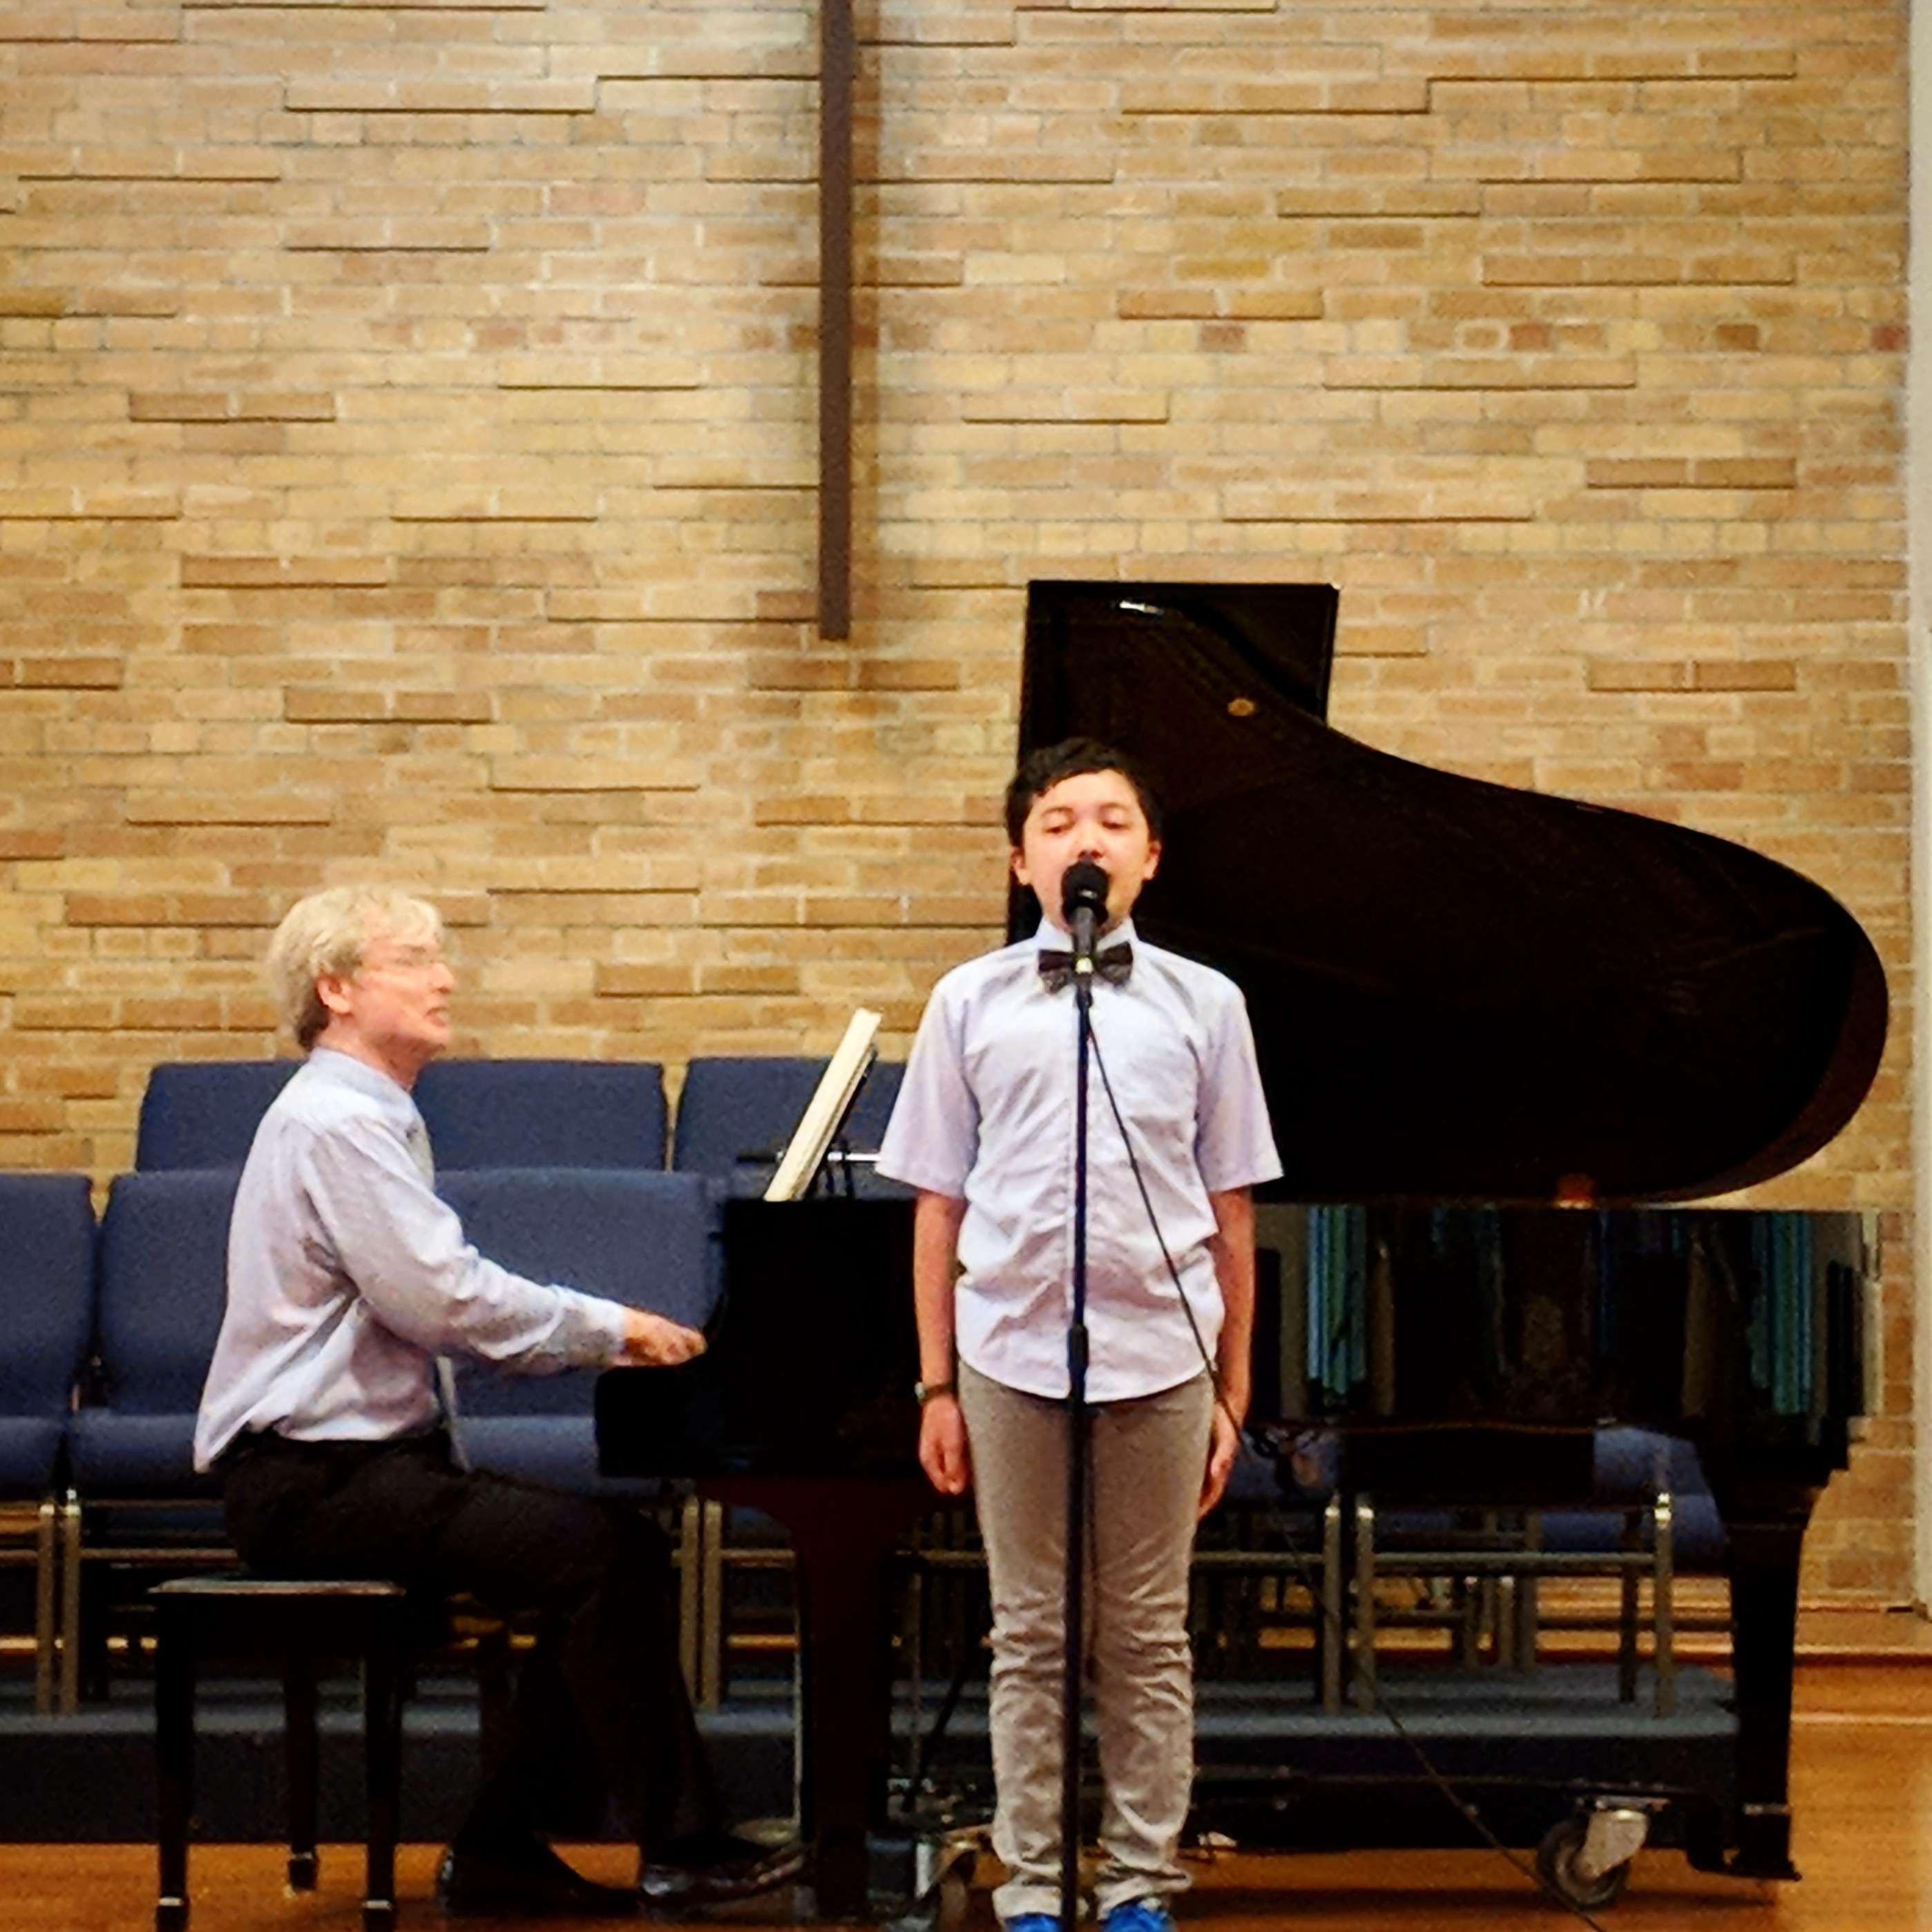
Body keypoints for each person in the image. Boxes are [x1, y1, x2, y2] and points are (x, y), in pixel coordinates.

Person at [194, 885, 801, 1920]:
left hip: (358, 1467)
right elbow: (439, 1296)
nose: (445, 977)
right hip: (307, 1479)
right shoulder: (337, 1120)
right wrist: (612, 1328)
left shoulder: (364, 1112)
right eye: (413, 959)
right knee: (601, 1554)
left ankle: (508, 1848)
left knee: (608, 1553)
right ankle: (665, 1848)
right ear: (335, 989)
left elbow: (428, 1302)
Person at [875, 740, 1281, 1932]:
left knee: (1146, 1629)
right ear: (1020, 859)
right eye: (1058, 822)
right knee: (1030, 1630)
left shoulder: (1208, 1004)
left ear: (1149, 858)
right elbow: (937, 1201)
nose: (1085, 840)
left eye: (1111, 821)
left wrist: (1232, 1387)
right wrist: (934, 1384)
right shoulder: (968, 1001)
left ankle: (1143, 1877)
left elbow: (1230, 1206)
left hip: (1162, 1354)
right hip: (1007, 1351)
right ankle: (1040, 1881)